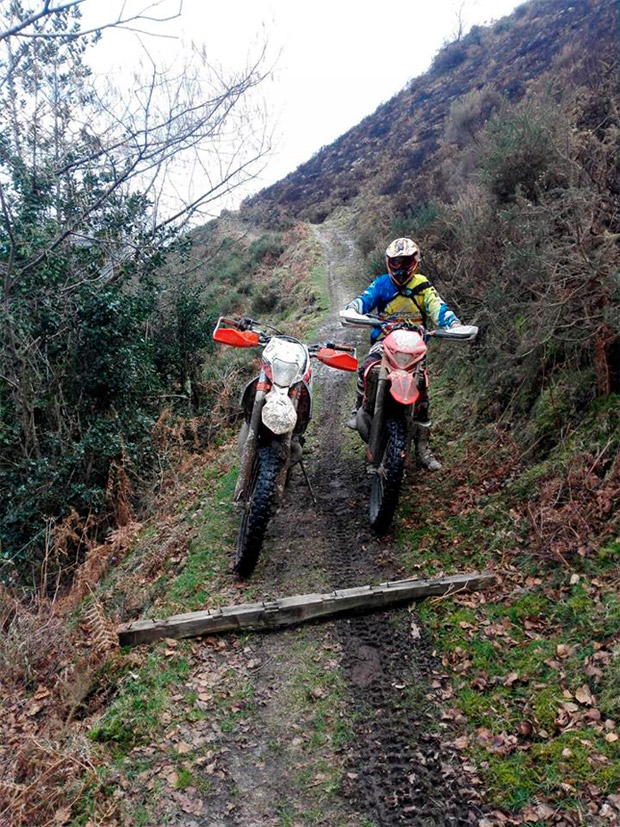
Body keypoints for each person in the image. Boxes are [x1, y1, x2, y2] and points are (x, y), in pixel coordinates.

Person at [344, 237, 463, 472]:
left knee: (423, 395)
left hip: (414, 346)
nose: (399, 268)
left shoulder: (422, 286)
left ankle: (422, 448)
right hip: (384, 342)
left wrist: (453, 323)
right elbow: (364, 300)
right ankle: (359, 406)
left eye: (405, 262)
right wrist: (352, 309)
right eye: (395, 262)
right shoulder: (381, 284)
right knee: (367, 367)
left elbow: (438, 307)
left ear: (414, 261)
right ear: (389, 262)